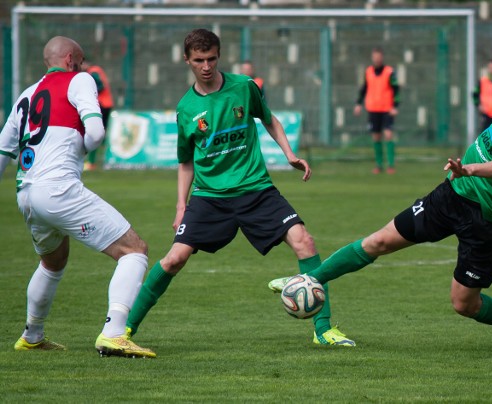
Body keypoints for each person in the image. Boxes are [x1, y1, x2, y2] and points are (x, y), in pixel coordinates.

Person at [270, 58, 492, 353]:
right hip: (449, 197)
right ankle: (305, 280)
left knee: (464, 303)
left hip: (483, 221)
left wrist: (470, 168)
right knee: (379, 241)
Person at [125, 29, 355, 349]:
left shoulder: (244, 87)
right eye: (199, 60)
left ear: (219, 56)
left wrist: (289, 154)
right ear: (187, 60)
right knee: (174, 259)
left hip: (256, 188)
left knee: (304, 241)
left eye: (212, 59)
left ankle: (323, 330)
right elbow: (186, 162)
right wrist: (181, 205)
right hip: (209, 197)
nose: (206, 66)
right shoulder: (186, 109)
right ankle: (124, 331)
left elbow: (269, 118)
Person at [0, 36, 155, 358]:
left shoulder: (25, 96)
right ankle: (114, 333)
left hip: (26, 193)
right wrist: (80, 148)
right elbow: (96, 132)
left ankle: (32, 335)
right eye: (81, 62)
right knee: (134, 251)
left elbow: (3, 152)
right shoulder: (79, 79)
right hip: (59, 188)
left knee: (52, 261)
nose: (83, 68)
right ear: (70, 59)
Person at [354, 47, 400, 175]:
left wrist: (395, 106)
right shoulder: (368, 72)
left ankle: (390, 165)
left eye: (379, 56)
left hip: (387, 109)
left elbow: (396, 89)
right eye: (375, 56)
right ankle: (379, 165)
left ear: (382, 57)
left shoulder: (389, 72)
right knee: (376, 136)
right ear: (372, 57)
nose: (377, 59)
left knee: (388, 134)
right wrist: (358, 104)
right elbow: (364, 88)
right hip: (373, 109)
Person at [82, 60, 114, 171]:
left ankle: (92, 162)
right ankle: (102, 160)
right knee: (102, 133)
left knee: (94, 132)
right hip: (106, 103)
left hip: (102, 104)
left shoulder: (93, 72)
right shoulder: (97, 70)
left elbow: (100, 86)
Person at [473, 59, 492, 131]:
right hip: (486, 115)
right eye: (491, 68)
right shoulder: (482, 81)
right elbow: (475, 94)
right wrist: (478, 105)